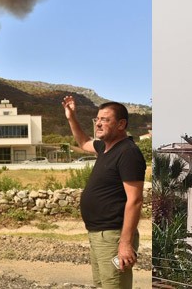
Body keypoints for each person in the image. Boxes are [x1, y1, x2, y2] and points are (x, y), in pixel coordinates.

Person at [62, 95, 146, 289]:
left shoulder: (128, 152)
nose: (98, 124)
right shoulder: (105, 147)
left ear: (121, 124)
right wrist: (71, 117)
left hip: (113, 235)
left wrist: (125, 244)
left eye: (105, 120)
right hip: (98, 234)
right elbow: (83, 142)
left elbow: (135, 200)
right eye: (97, 119)